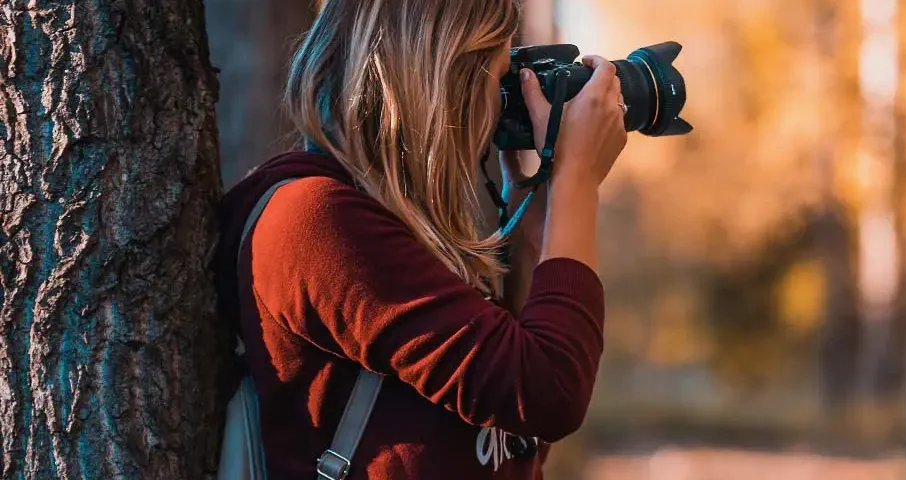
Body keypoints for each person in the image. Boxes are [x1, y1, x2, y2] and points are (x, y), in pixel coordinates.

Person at [212, 0, 627, 478]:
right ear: (450, 83)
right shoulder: (316, 221)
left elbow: (512, 436)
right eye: (499, 77)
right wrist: (576, 181)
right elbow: (547, 393)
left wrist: (529, 214)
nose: (501, 103)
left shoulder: (399, 223)